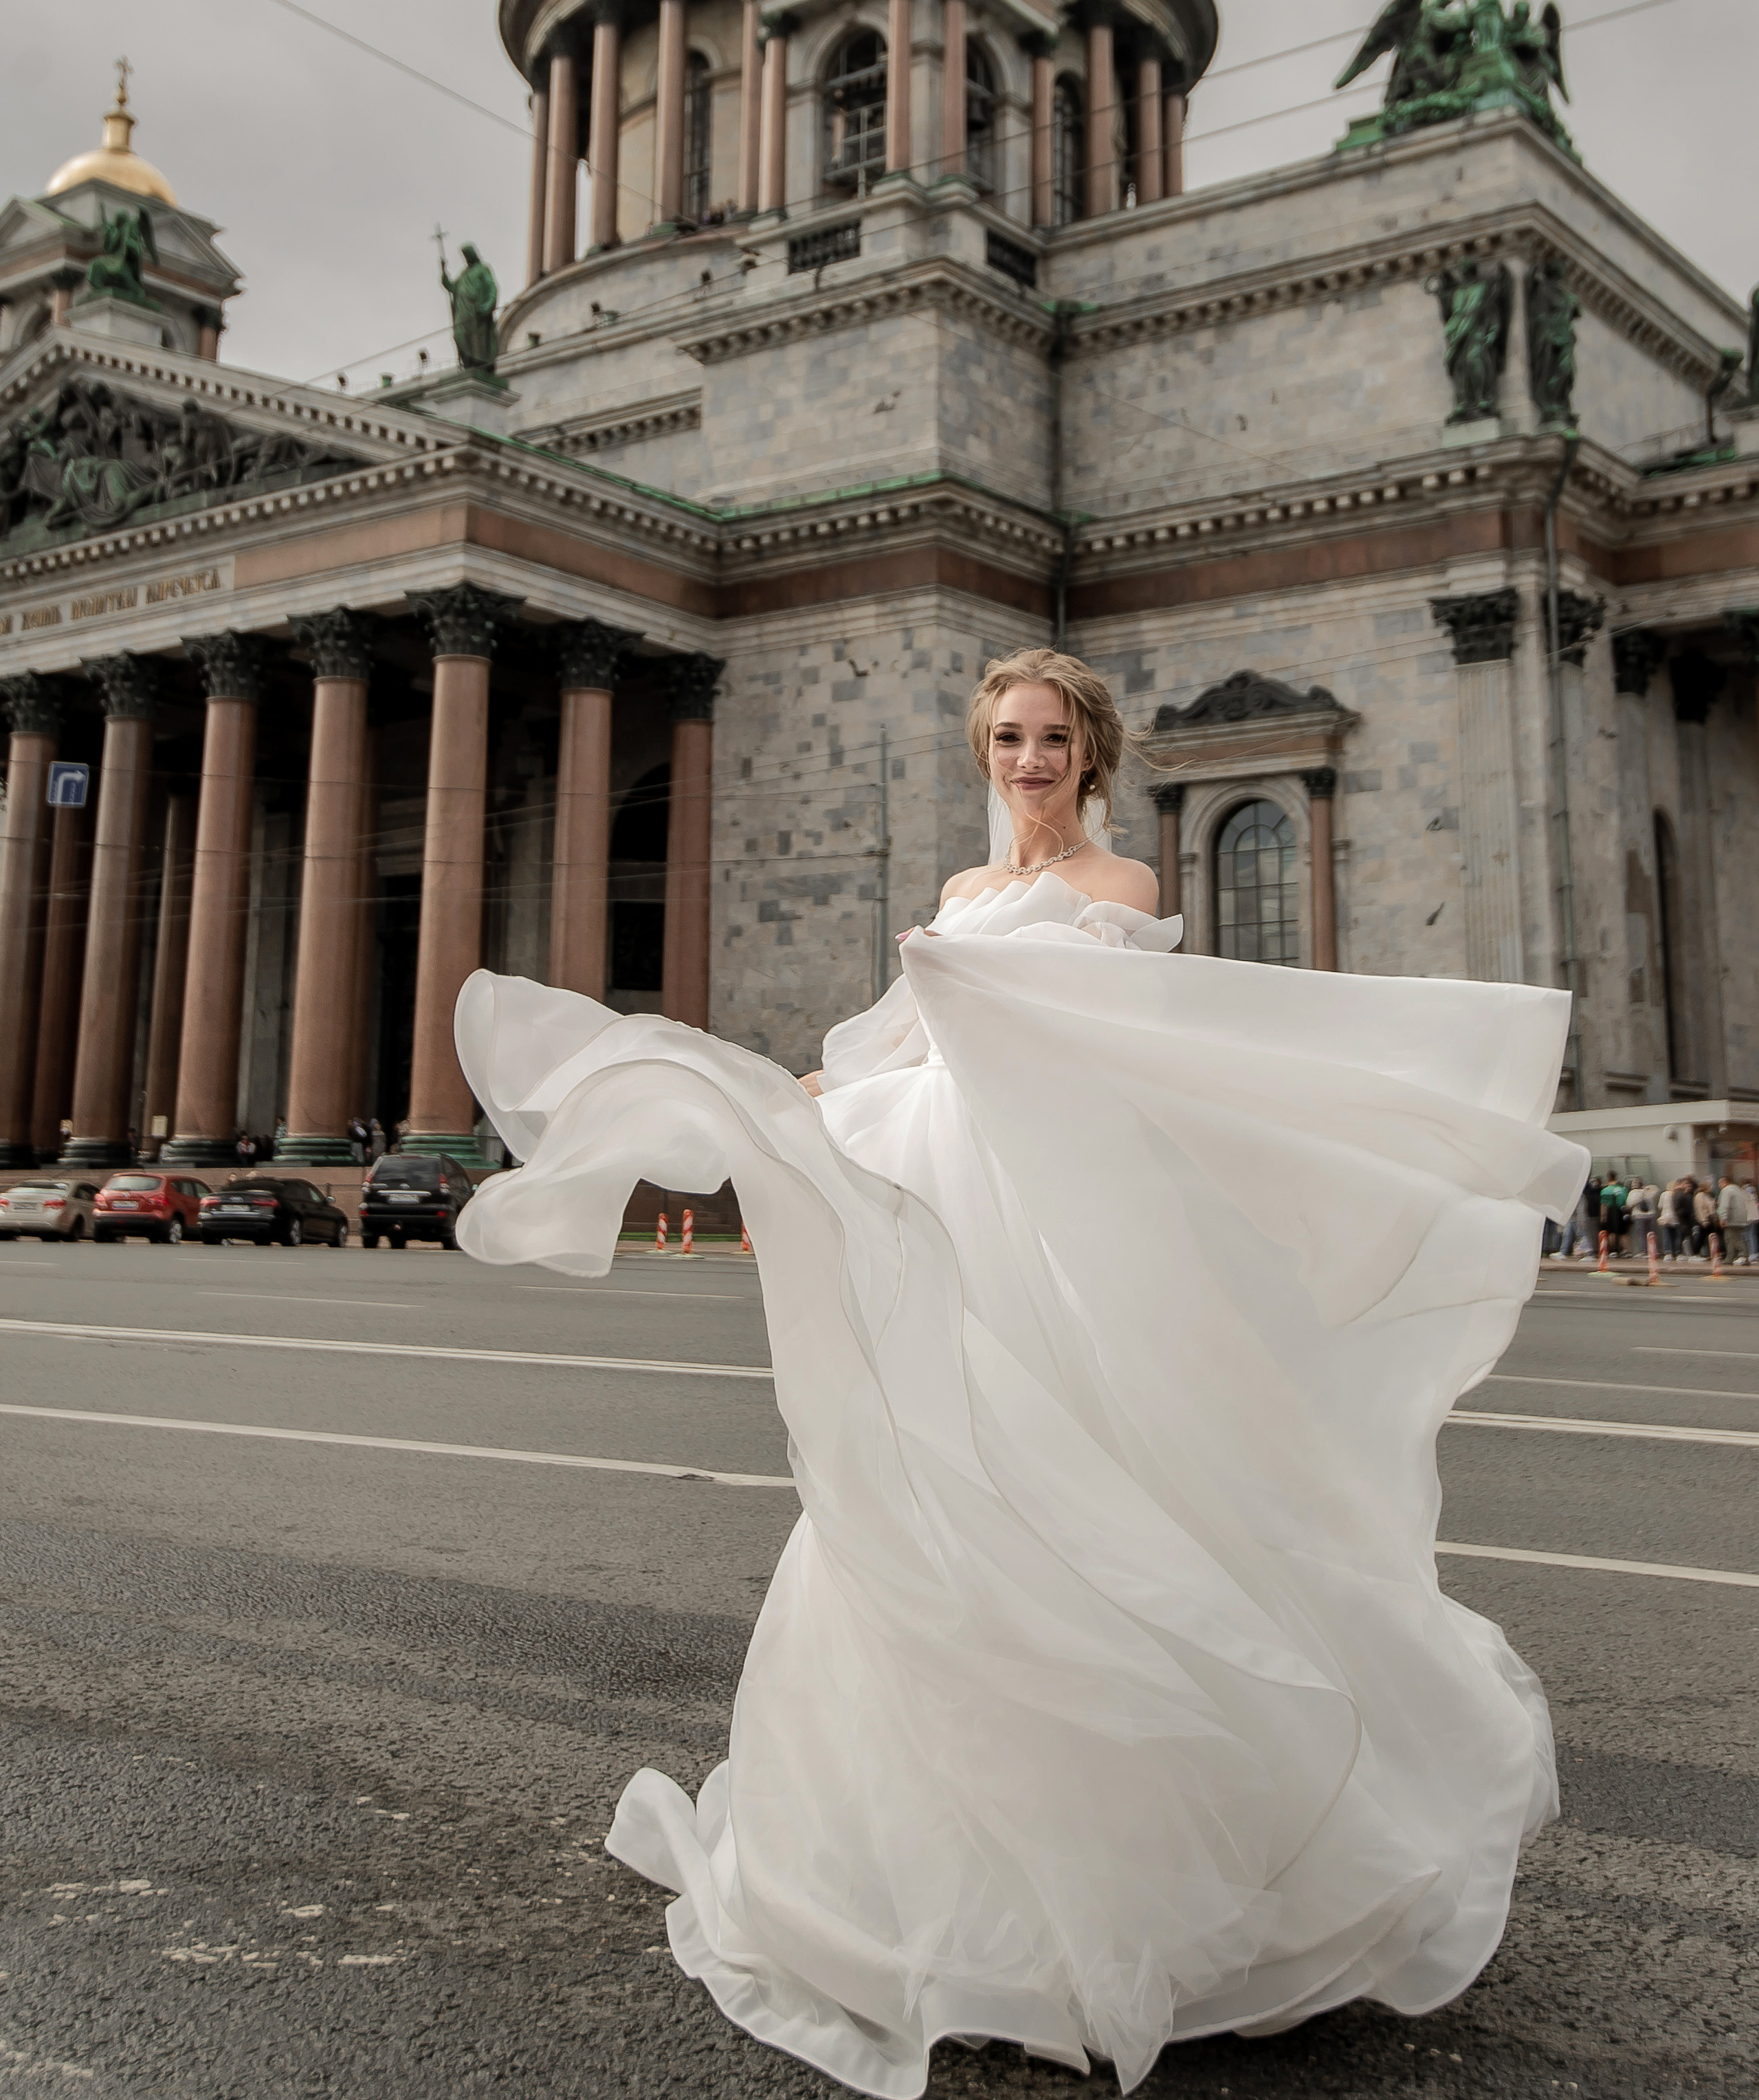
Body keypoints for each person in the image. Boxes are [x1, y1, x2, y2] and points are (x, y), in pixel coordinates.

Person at [452, 645, 1586, 2096]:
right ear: (982, 749)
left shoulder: (1115, 894)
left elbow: (1116, 1054)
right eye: (1006, 736)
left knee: (1092, 1488)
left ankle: (1160, 1897)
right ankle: (945, 1895)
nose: (1027, 760)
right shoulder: (957, 898)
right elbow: (894, 1046)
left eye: (1050, 737)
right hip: (938, 1200)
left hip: (1049, 1214)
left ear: (1090, 752)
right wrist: (772, 1102)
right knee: (934, 1493)